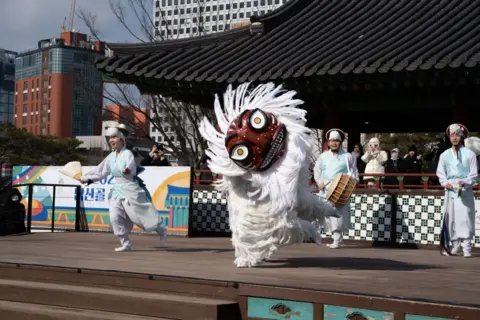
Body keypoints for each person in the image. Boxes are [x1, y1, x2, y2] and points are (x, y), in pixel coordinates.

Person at [80, 123, 167, 252]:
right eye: (110, 138)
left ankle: (161, 229)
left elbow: (131, 167)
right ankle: (125, 243)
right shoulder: (110, 157)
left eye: (114, 137)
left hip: (129, 188)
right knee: (114, 217)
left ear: (121, 139)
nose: (111, 140)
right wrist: (85, 178)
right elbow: (101, 171)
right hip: (116, 190)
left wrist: (127, 170)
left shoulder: (128, 154)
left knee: (138, 218)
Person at [436, 123, 477, 258]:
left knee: (464, 217)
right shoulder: (444, 155)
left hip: (464, 188)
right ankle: (454, 245)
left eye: (457, 135)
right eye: (452, 135)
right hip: (450, 188)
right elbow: (440, 172)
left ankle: (466, 247)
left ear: (462, 136)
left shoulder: (469, 154)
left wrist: (465, 182)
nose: (454, 138)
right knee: (451, 217)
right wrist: (445, 183)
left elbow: (474, 173)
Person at [314, 129, 359, 249]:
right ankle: (338, 239)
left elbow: (354, 172)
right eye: (332, 140)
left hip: (340, 190)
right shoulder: (322, 156)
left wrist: (350, 182)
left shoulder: (347, 156)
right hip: (326, 190)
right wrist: (319, 182)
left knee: (338, 215)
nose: (334, 143)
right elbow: (317, 171)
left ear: (341, 142)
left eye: (337, 141)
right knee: (328, 215)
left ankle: (337, 240)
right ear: (328, 142)